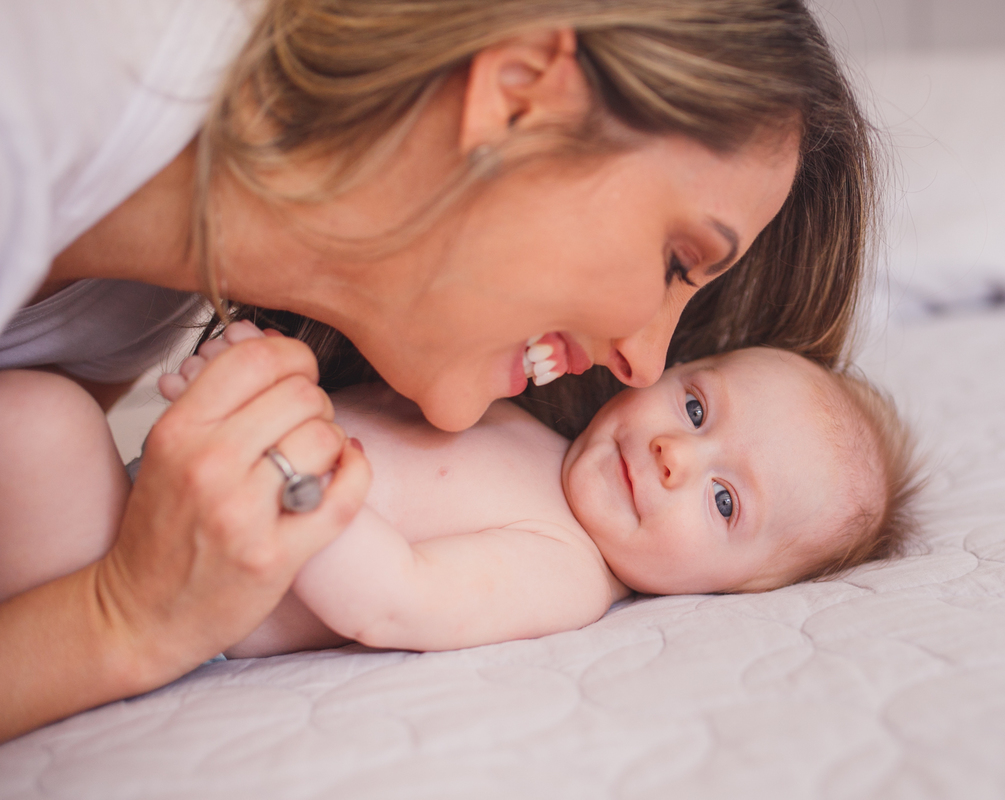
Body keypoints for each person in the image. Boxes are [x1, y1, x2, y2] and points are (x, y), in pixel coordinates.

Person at [0, 0, 877, 740]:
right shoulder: (56, 89)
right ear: (521, 95)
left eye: (726, 502)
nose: (645, 361)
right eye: (677, 261)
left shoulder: (130, 304)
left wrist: (130, 610)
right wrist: (121, 618)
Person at [0, 322, 920, 657]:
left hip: (149, 570)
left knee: (42, 424)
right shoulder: (527, 418)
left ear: (739, 592)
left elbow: (391, 599)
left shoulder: (564, 571)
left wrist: (286, 447)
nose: (680, 455)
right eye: (695, 404)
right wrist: (254, 384)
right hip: (156, 498)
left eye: (725, 503)